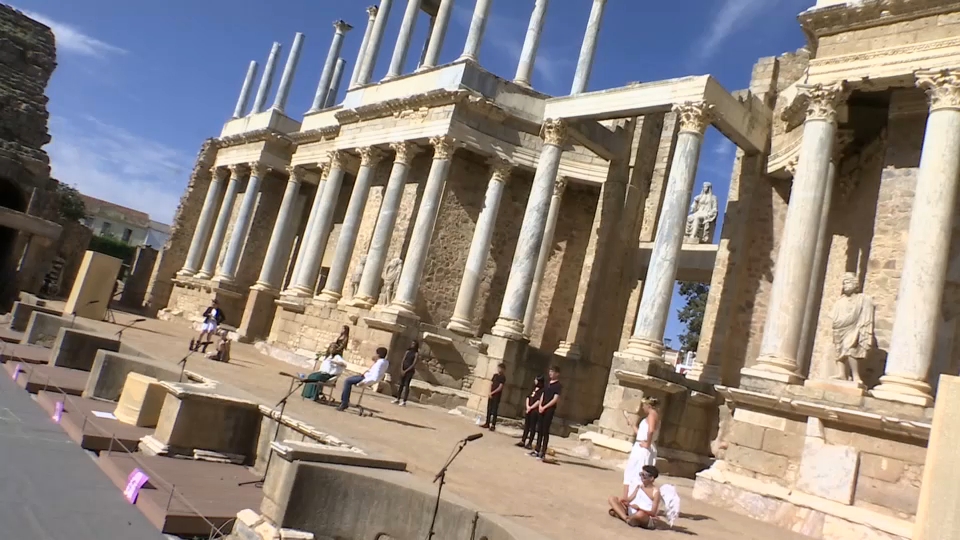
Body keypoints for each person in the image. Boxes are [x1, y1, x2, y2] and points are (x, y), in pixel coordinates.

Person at [623, 397, 660, 500]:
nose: (642, 407)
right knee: (632, 471)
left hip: (643, 449)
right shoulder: (652, 415)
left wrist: (647, 444)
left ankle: (631, 499)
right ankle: (628, 498)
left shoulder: (652, 414)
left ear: (648, 405)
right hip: (641, 446)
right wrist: (632, 424)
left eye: (643, 405)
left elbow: (651, 430)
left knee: (637, 473)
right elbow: (641, 434)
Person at [608, 465, 662, 529]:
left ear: (651, 478)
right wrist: (623, 501)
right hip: (632, 511)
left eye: (644, 475)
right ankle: (626, 518)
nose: (642, 477)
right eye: (641, 474)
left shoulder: (655, 492)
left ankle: (623, 516)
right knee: (612, 498)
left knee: (640, 514)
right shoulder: (639, 486)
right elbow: (629, 499)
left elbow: (653, 513)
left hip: (644, 516)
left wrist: (639, 508)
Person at [337, 347, 389, 411]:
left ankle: (344, 402)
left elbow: (375, 376)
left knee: (347, 381)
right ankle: (345, 401)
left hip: (366, 378)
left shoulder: (380, 363)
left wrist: (364, 382)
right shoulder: (385, 362)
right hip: (366, 376)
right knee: (350, 379)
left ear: (378, 355)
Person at [530, 366, 561, 461]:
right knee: (539, 429)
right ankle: (537, 449)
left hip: (549, 410)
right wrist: (540, 405)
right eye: (550, 371)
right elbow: (543, 395)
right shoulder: (547, 384)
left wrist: (545, 407)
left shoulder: (558, 385)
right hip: (541, 408)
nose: (550, 373)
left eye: (553, 372)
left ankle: (543, 452)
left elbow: (555, 399)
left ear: (557, 373)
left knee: (545, 431)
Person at [515, 376, 544, 449]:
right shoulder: (533, 388)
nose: (535, 380)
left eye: (536, 379)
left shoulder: (542, 391)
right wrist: (528, 406)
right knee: (526, 426)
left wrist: (531, 407)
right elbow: (528, 397)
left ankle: (530, 442)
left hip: (535, 410)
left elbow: (539, 401)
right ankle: (523, 440)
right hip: (529, 409)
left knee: (532, 427)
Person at [392, 340, 419, 406]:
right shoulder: (407, 352)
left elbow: (413, 364)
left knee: (406, 385)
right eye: (412, 343)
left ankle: (404, 401)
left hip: (409, 371)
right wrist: (401, 369)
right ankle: (397, 398)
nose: (412, 345)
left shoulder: (416, 354)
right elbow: (403, 360)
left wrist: (406, 370)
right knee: (401, 384)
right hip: (403, 369)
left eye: (414, 344)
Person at [480, 363, 507, 431]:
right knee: (489, 409)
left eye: (500, 368)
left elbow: (500, 387)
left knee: (494, 410)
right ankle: (487, 423)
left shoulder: (503, 377)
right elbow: (491, 384)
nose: (499, 369)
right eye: (498, 368)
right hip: (491, 394)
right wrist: (489, 392)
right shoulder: (495, 375)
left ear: (503, 369)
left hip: (497, 395)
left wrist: (493, 392)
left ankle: (493, 425)